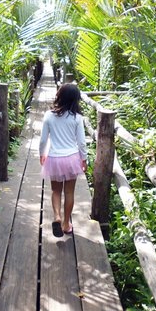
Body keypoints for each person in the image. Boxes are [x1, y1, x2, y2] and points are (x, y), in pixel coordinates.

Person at [39, 84, 87, 237]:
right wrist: (84, 158)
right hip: (72, 158)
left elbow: (42, 140)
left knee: (56, 190)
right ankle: (66, 224)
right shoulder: (77, 118)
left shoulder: (48, 115)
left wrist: (42, 154)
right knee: (69, 192)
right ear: (75, 99)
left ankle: (57, 217)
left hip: (54, 158)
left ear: (60, 96)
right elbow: (81, 142)